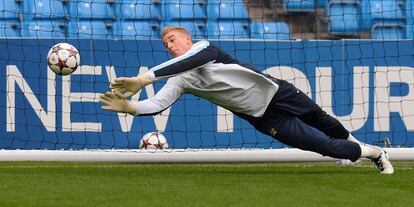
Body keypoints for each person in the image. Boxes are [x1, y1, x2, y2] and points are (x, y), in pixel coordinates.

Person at [99, 26, 394, 174]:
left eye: (172, 41)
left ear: (187, 39)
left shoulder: (204, 48)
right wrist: (131, 107)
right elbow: (158, 104)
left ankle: (353, 146)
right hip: (264, 118)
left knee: (323, 120)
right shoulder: (179, 79)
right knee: (319, 145)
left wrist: (143, 79)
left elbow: (186, 62)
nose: (170, 47)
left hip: (277, 92)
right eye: (166, 45)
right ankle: (372, 153)